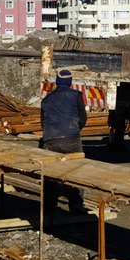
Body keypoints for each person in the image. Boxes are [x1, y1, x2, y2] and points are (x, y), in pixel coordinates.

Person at [40, 69, 88, 217]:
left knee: (49, 176)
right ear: (70, 82)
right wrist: (74, 129)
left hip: (50, 140)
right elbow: (83, 117)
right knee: (76, 172)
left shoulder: (46, 99)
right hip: (71, 139)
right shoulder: (76, 95)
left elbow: (43, 122)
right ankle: (76, 206)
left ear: (57, 82)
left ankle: (48, 209)